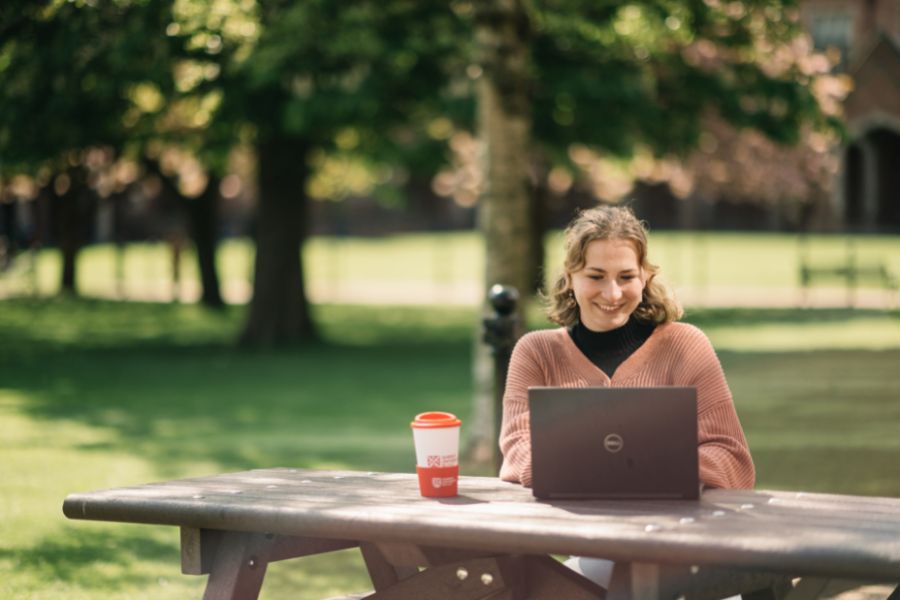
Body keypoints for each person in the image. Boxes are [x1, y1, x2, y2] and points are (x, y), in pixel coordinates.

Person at [497, 205, 755, 592]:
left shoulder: (686, 346)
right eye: (595, 276)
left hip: (678, 544)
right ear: (570, 276)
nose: (612, 293)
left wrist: (599, 467)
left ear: (645, 276)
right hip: (591, 546)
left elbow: (732, 459)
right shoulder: (536, 353)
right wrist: (644, 468)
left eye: (626, 277)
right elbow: (519, 452)